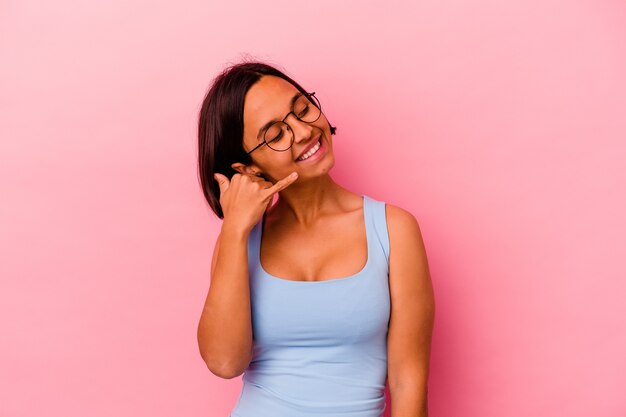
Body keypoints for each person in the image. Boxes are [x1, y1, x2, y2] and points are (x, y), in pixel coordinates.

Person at [196, 60, 435, 417]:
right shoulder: (239, 241)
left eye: (302, 109)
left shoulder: (393, 230)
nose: (305, 131)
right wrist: (234, 229)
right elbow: (225, 361)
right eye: (276, 134)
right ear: (247, 169)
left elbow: (408, 381)